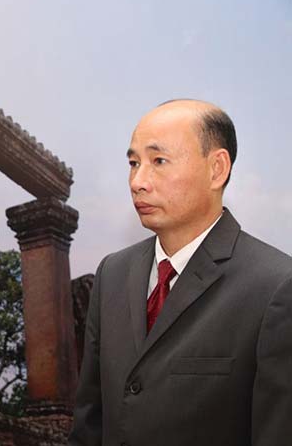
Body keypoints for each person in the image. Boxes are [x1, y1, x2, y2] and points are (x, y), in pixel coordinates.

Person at [69, 99, 292, 446]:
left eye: (158, 161)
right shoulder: (113, 273)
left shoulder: (276, 285)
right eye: (133, 163)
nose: (138, 181)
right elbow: (89, 423)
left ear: (217, 169)